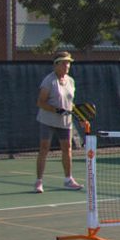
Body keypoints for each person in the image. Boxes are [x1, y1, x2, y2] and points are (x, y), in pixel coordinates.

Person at [34, 51, 83, 193]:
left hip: (65, 122)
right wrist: (56, 110)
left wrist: (79, 116)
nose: (67, 65)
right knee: (44, 148)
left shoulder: (71, 81)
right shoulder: (48, 81)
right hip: (47, 120)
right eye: (64, 63)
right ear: (56, 65)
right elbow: (40, 102)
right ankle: (39, 181)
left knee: (67, 148)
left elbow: (70, 103)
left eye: (68, 63)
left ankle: (68, 180)